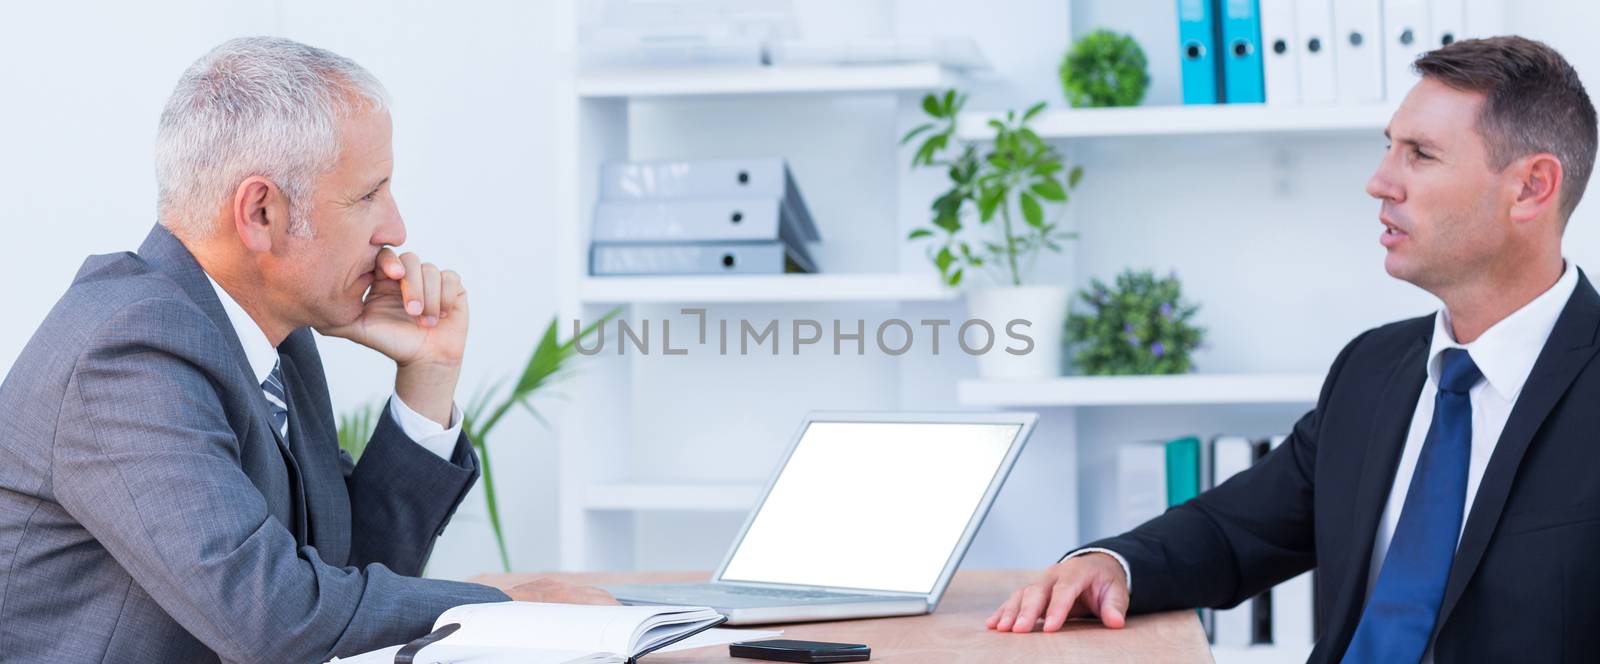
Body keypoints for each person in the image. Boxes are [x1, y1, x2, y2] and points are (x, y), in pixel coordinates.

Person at [988, 36, 1600, 663]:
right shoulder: (1372, 369)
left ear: (1531, 188)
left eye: (1420, 155)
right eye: (1388, 147)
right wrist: (1113, 564)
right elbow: (1233, 530)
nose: (1379, 181)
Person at [0, 37, 611, 663]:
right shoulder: (126, 356)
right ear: (260, 211)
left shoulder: (278, 344)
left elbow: (346, 576)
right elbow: (272, 618)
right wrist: (506, 613)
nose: (395, 229)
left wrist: (428, 373)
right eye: (368, 195)